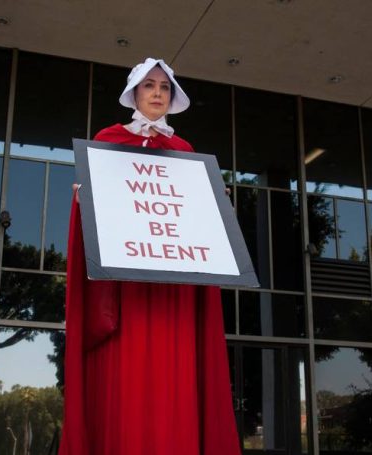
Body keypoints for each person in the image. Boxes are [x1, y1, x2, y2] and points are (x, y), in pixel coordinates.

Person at [60, 58, 241, 455]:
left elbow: (190, 216)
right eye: (149, 86)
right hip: (126, 293)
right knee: (123, 382)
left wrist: (211, 201)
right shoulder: (107, 140)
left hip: (172, 295)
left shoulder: (184, 151)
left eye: (164, 87)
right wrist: (83, 199)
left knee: (174, 378)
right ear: (135, 94)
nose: (157, 93)